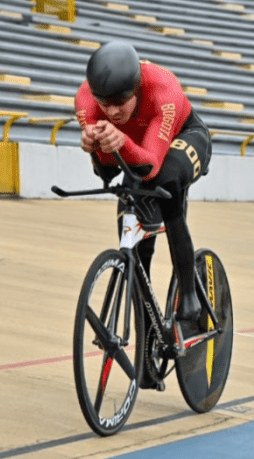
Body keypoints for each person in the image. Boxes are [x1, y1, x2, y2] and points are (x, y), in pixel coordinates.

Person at [74, 41, 213, 354]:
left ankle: (188, 292)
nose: (111, 111)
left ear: (136, 88)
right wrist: (95, 148)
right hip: (138, 149)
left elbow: (150, 166)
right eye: (104, 102)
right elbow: (107, 172)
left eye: (120, 101)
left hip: (184, 137)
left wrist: (120, 142)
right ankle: (147, 343)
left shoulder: (162, 89)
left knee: (167, 182)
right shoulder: (85, 100)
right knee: (130, 211)